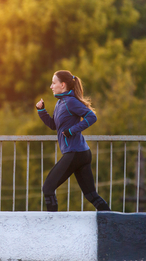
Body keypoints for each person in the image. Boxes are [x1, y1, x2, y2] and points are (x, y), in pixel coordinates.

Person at [36, 70, 110, 212]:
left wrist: (72, 130)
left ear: (62, 85)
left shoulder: (70, 102)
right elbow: (54, 125)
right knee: (91, 195)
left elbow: (91, 116)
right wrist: (42, 111)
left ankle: (52, 228)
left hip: (75, 153)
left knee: (48, 188)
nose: (51, 86)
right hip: (80, 153)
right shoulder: (60, 103)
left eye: (53, 83)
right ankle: (114, 223)